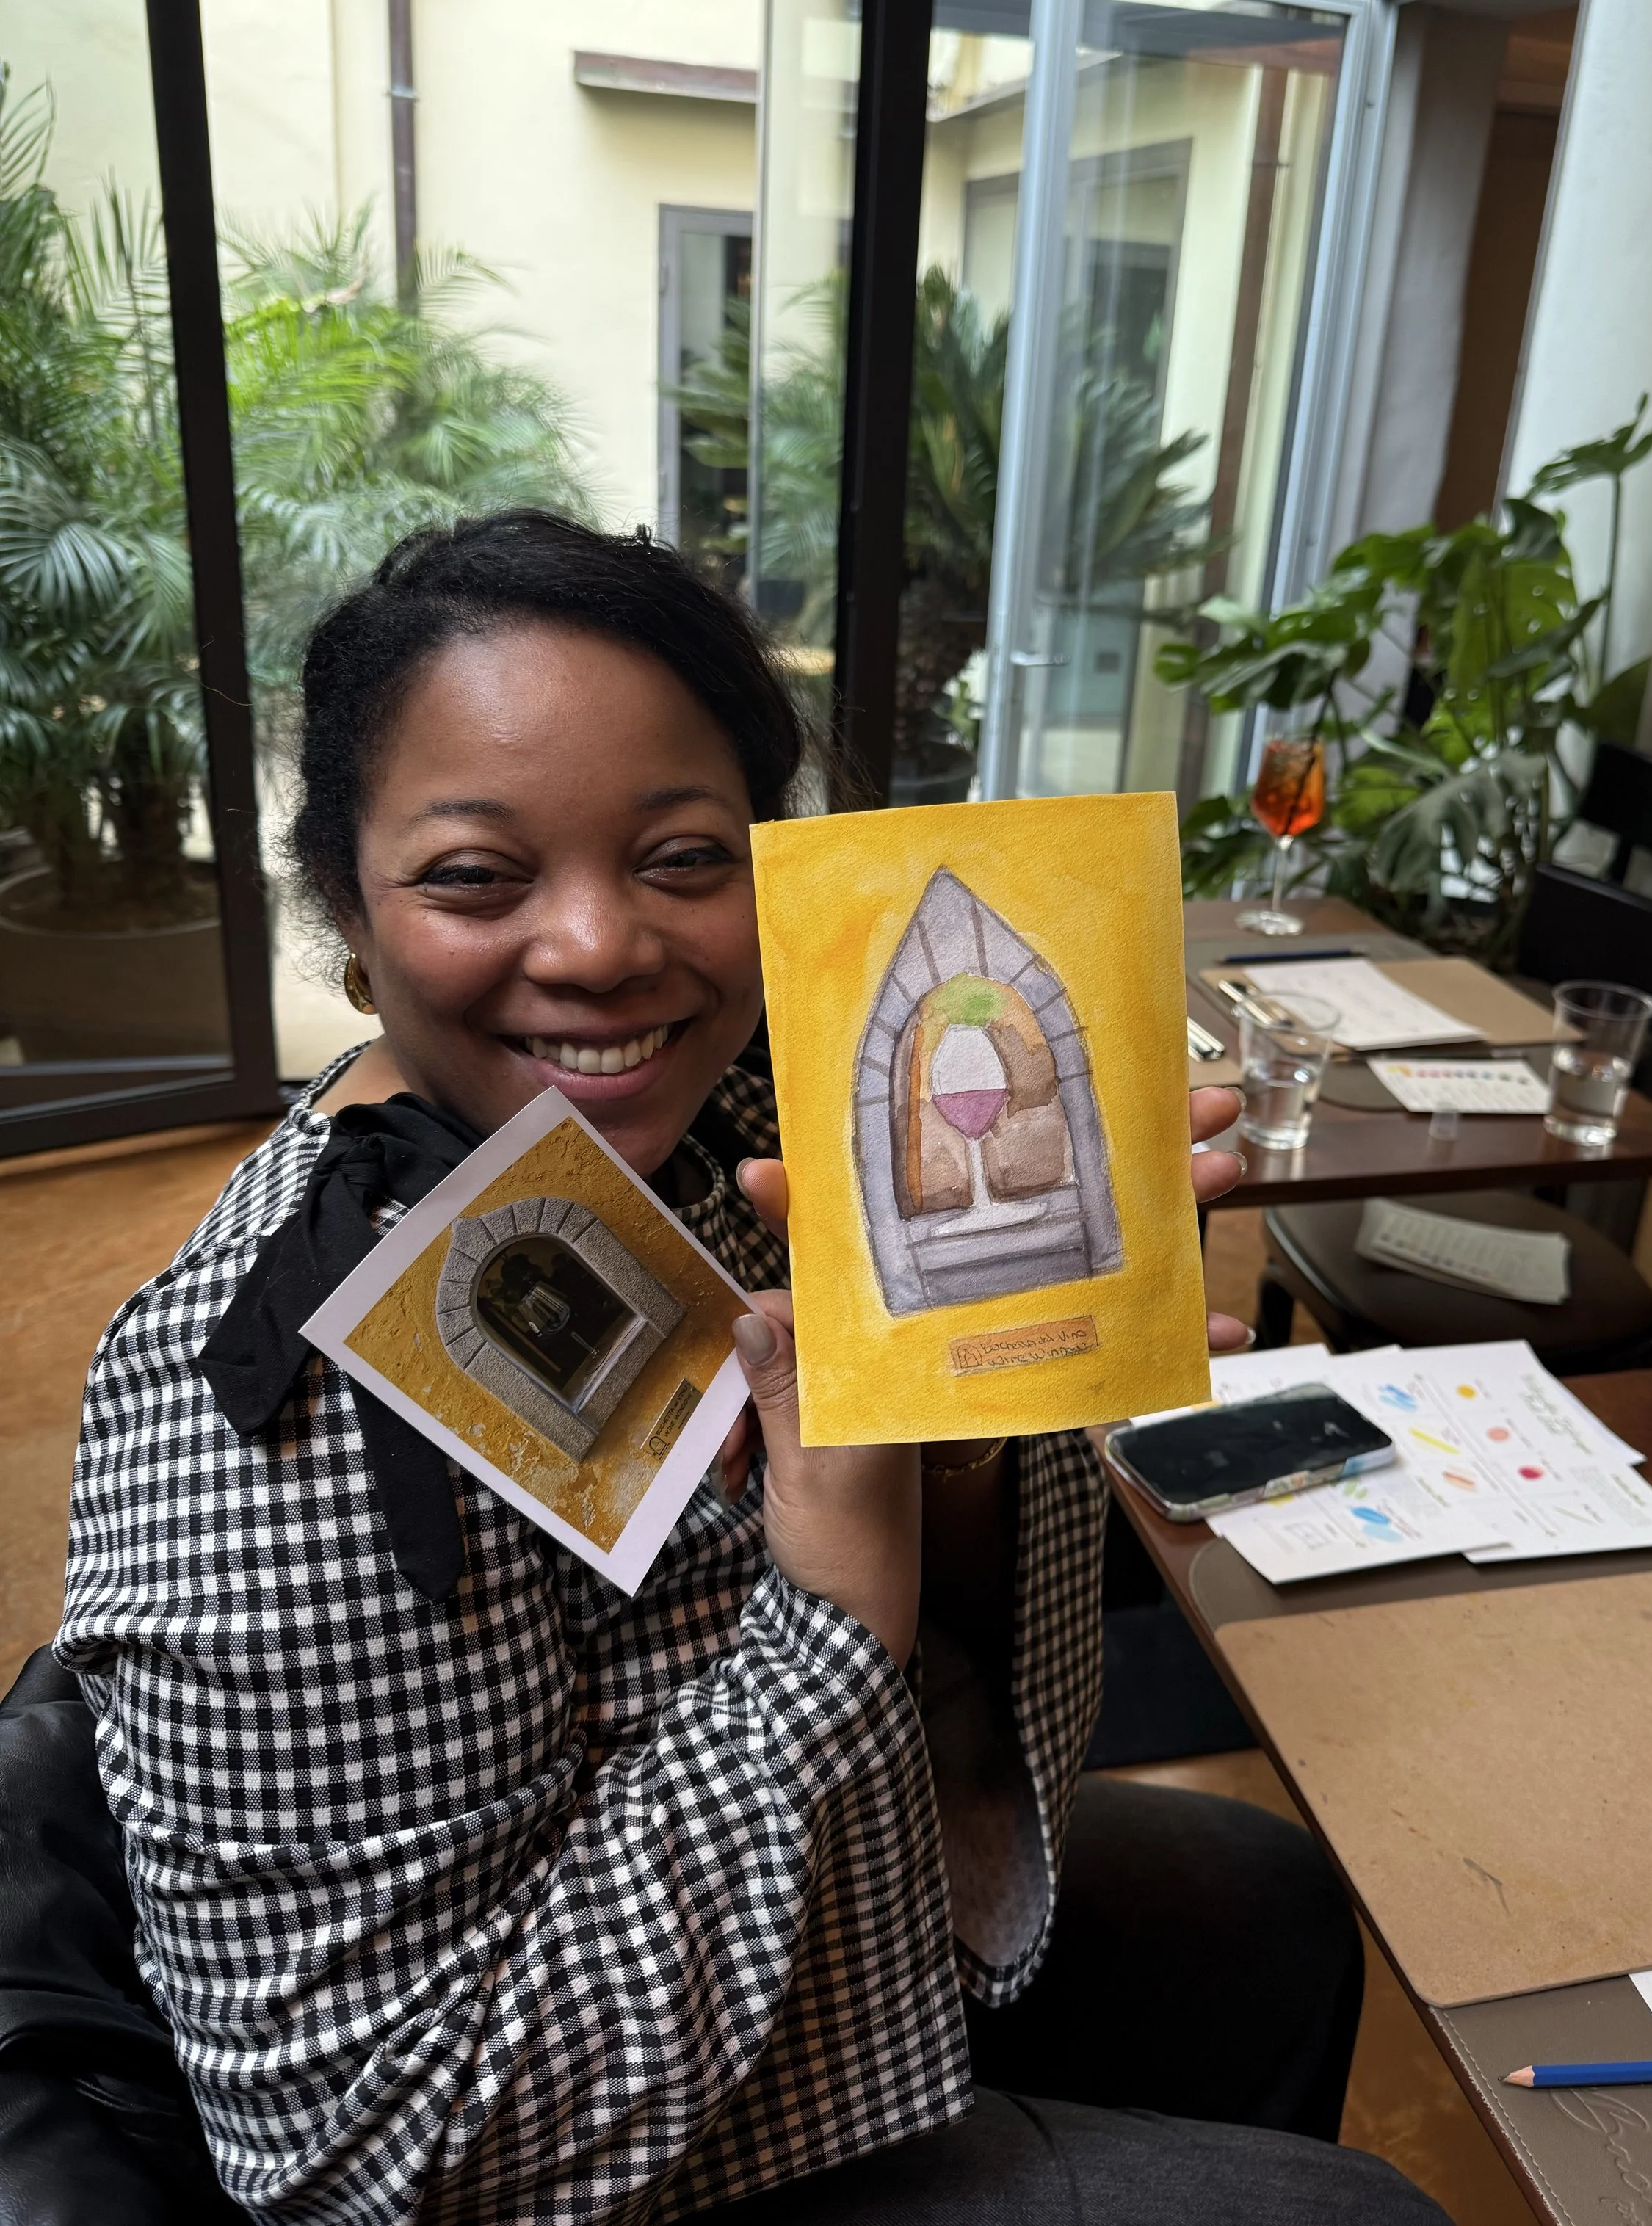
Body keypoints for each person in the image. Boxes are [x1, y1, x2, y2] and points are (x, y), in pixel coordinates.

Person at [57, 513, 1447, 2225]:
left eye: (680, 856)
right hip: (576, 2157)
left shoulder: (724, 1131)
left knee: (1269, 1905)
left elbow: (929, 1586)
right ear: (346, 902)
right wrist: (833, 1614)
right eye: (478, 876)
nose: (597, 949)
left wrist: (960, 1440)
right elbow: (373, 2160)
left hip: (782, 1894)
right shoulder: (273, 1409)